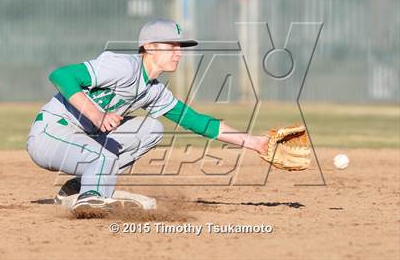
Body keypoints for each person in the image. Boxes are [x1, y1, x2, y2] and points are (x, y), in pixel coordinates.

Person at [26, 19, 269, 217]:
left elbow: (196, 121)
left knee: (152, 128)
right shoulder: (122, 66)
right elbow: (61, 75)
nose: (178, 53)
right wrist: (97, 115)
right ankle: (89, 200)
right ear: (150, 47)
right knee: (104, 155)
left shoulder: (154, 90)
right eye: (171, 46)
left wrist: (256, 143)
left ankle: (79, 187)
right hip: (51, 134)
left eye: (180, 47)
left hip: (82, 142)